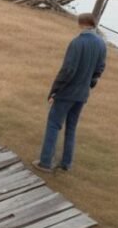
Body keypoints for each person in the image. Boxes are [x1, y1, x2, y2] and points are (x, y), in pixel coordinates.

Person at [35, 13, 107, 173]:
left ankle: (45, 162)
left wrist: (55, 90)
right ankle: (66, 163)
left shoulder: (77, 42)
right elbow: (100, 68)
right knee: (71, 127)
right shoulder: (101, 44)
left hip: (68, 92)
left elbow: (68, 70)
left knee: (53, 124)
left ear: (81, 24)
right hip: (82, 93)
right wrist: (90, 83)